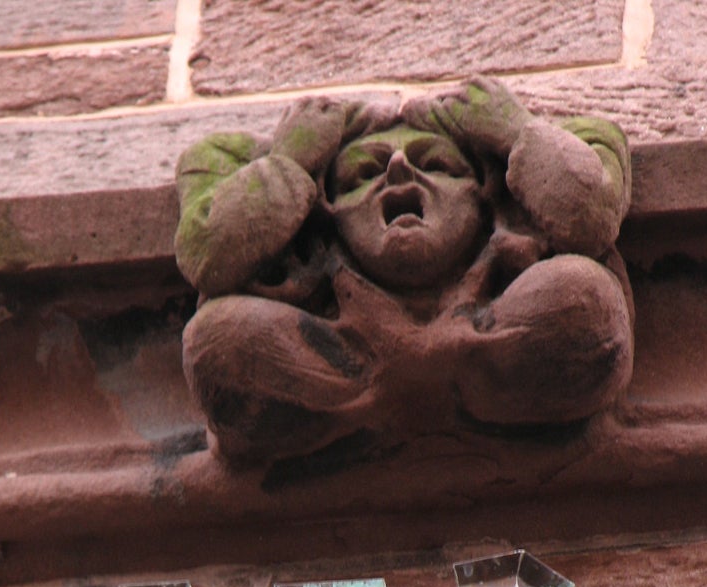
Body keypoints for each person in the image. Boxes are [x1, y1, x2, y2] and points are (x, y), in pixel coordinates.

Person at [176, 78, 634, 467]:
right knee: (219, 339)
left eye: (437, 164)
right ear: (325, 209)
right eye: (360, 174)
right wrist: (289, 162)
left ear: (486, 192)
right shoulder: (221, 161)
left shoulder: (582, 146)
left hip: (503, 335)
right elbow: (208, 257)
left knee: (581, 297)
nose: (397, 169)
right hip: (335, 352)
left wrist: (514, 132)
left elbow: (588, 218)